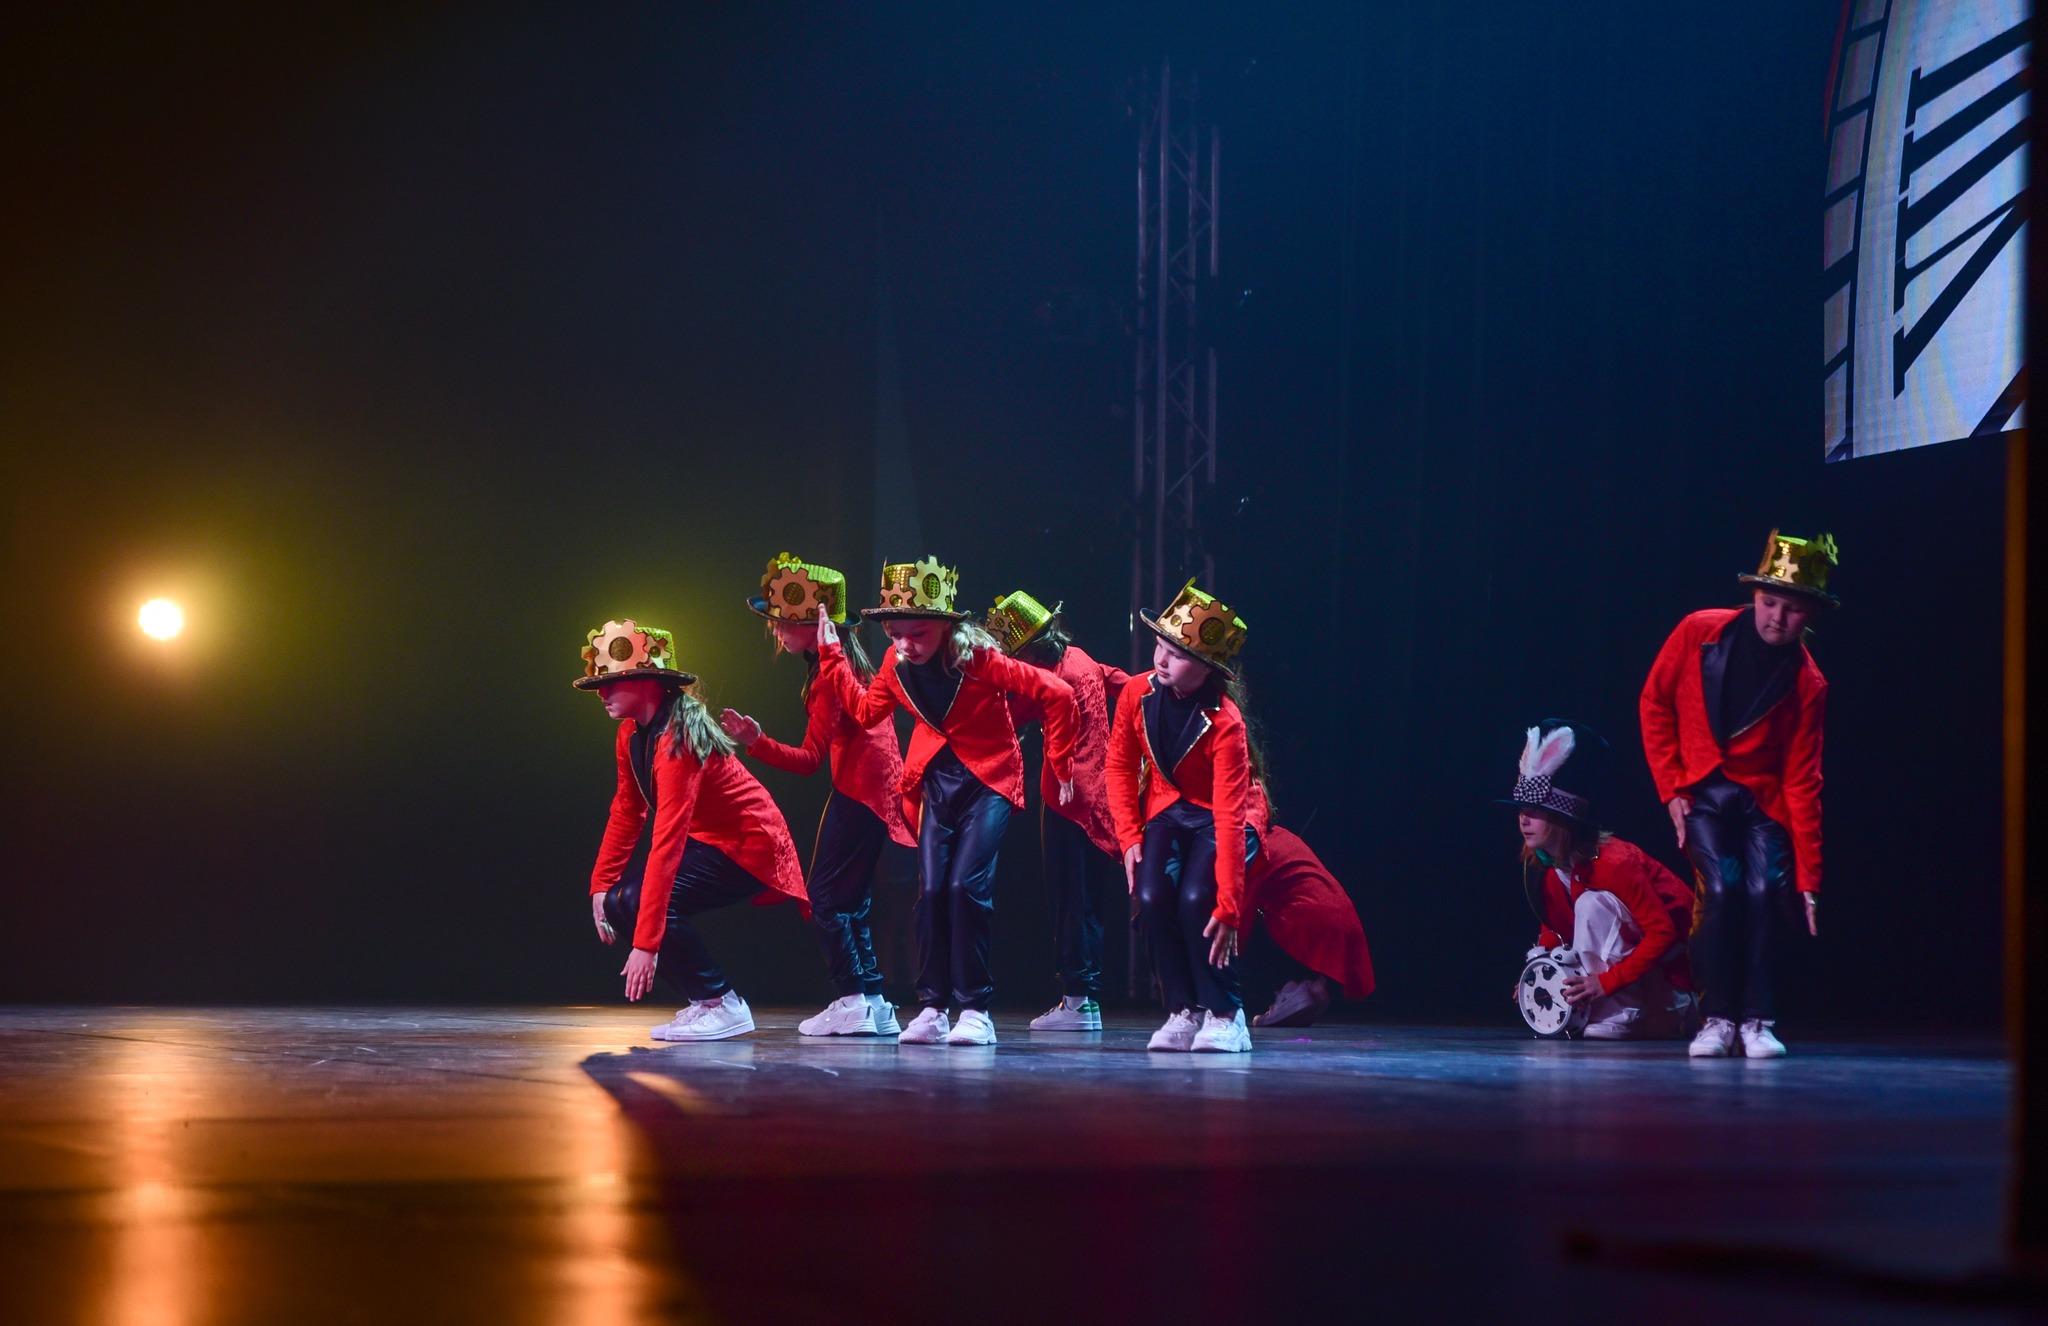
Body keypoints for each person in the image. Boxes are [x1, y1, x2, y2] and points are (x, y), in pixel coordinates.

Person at [814, 559, 1080, 1046]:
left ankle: (975, 1009)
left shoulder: (978, 659)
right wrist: (832, 655)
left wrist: (1060, 762)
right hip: (936, 781)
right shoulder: (895, 666)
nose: (904, 645)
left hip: (988, 780)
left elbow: (1058, 694)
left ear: (944, 626)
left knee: (964, 887)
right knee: (933, 891)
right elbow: (865, 711)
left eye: (917, 634)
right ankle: (934, 1007)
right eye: (895, 634)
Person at [1640, 530, 1836, 1058]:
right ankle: (1716, 1017)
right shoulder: (1699, 631)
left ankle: (1757, 1019)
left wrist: (1809, 879)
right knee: (1722, 892)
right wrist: (1671, 788)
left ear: (1810, 615)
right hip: (1702, 791)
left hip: (1762, 801)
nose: (1777, 617)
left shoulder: (1807, 683)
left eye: (1792, 609)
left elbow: (1803, 779)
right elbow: (1655, 702)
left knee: (1765, 892)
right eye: (1769, 602)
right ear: (1753, 595)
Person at [576, 618, 806, 1042]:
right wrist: (600, 886)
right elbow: (627, 810)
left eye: (612, 683)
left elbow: (667, 841)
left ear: (647, 682)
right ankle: (706, 1001)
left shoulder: (677, 741)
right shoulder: (630, 734)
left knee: (638, 903)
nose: (602, 693)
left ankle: (722, 1004)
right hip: (713, 842)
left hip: (752, 846)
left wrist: (646, 944)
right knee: (619, 902)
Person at [719, 553, 915, 1037]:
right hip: (876, 793)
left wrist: (756, 742)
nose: (776, 631)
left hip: (862, 794)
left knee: (826, 898)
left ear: (815, 624)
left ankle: (852, 998)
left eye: (784, 621)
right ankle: (872, 1000)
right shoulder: (845, 668)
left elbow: (808, 760)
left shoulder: (831, 676)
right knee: (851, 901)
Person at [1105, 580, 1260, 1053]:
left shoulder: (1225, 721)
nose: (1161, 660)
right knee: (1152, 896)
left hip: (1220, 816)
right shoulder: (1138, 694)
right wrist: (1129, 837)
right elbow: (1119, 765)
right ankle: (1183, 1009)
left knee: (1197, 900)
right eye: (1160, 647)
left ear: (1207, 667)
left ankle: (1225, 1013)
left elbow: (1230, 814)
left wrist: (1230, 905)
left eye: (1177, 654)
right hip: (1168, 810)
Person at [984, 591, 1132, 1031]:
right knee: (1090, 901)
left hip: (1068, 801)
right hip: (1102, 795)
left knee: (1069, 899)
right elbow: (1120, 680)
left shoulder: (1049, 678)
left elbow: (1010, 717)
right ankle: (1087, 999)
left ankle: (1076, 999)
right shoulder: (1080, 659)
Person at [1503, 720, 1696, 1040]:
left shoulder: (1615, 862)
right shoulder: (1551, 869)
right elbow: (1554, 930)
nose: (1524, 818)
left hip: (1673, 988)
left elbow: (1663, 933)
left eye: (1535, 810)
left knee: (1592, 904)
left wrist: (1604, 984)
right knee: (1586, 907)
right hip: (1628, 984)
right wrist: (1538, 975)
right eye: (1522, 809)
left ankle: (1621, 1013)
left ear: (1563, 817)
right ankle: (1606, 1010)